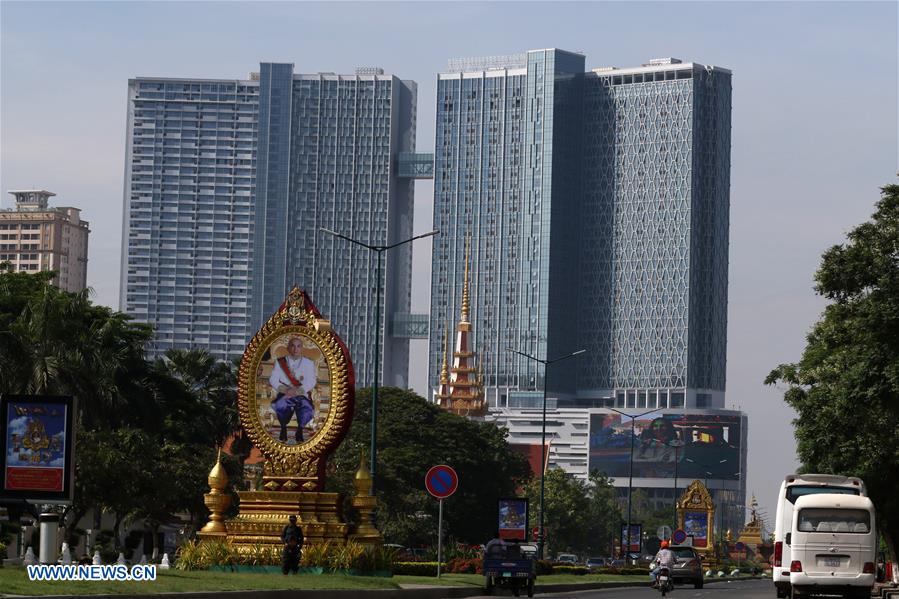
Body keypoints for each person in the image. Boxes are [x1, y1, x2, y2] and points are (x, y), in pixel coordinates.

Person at [269, 336, 318, 443]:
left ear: (302, 348)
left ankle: (300, 430)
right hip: (285, 394)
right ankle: (283, 428)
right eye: (293, 346)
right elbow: (273, 379)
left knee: (307, 407)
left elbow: (312, 381)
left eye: (298, 346)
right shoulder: (280, 362)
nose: (295, 349)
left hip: (301, 394)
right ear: (288, 348)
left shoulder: (308, 363)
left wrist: (298, 391)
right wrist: (286, 390)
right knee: (281, 405)